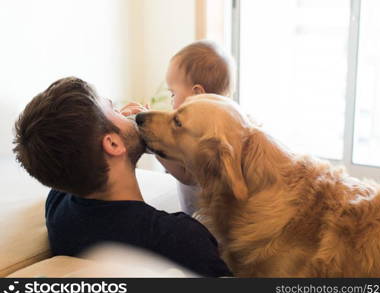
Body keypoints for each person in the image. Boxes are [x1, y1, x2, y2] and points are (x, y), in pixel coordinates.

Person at [13, 77, 232, 277]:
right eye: (115, 110)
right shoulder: (179, 238)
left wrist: (125, 129)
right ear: (113, 144)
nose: (126, 113)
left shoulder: (58, 206)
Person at [160, 40, 236, 215]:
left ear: (197, 94)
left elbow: (187, 175)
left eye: (173, 93)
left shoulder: (212, 136)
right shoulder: (224, 121)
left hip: (210, 229)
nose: (172, 101)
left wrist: (152, 141)